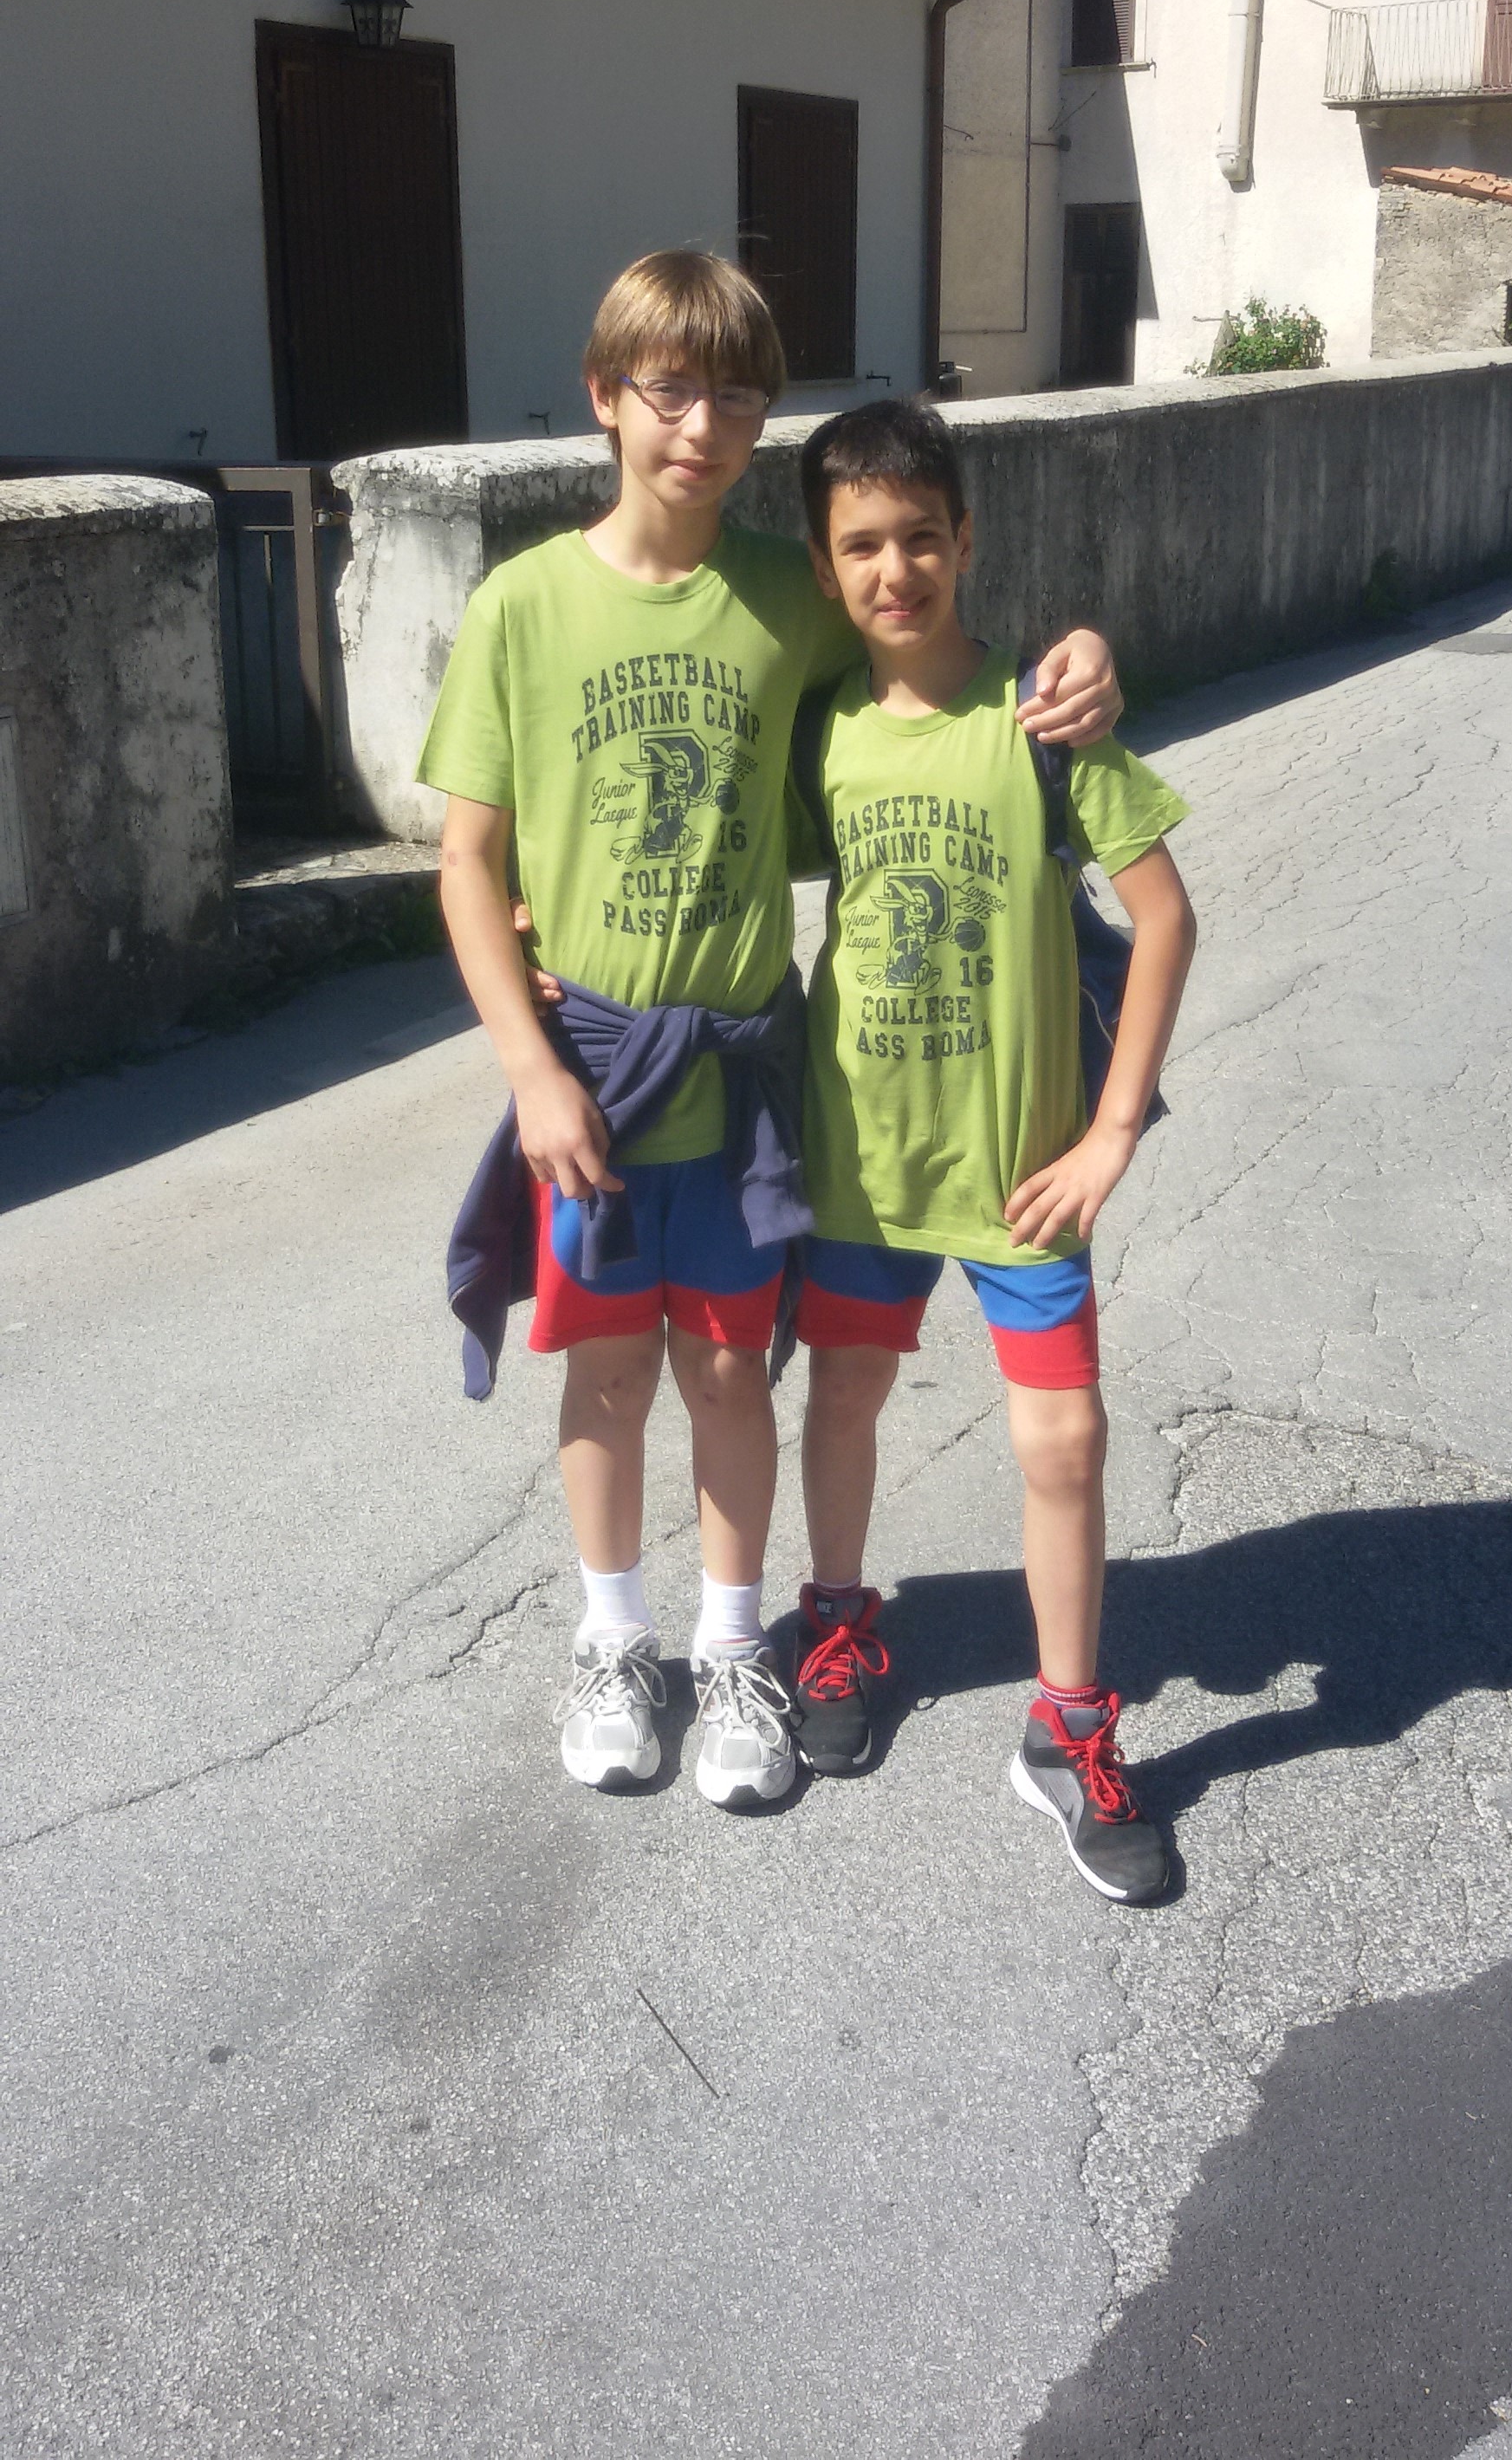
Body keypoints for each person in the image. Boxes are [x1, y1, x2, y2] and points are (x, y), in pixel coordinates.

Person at [416, 252, 1124, 1814]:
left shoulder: (787, 595)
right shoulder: (523, 607)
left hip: (743, 1073)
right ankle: (616, 1640)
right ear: (605, 397)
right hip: (594, 1077)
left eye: (737, 394)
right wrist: (528, 1069)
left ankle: (736, 1646)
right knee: (607, 1375)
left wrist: (1079, 655)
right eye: (670, 389)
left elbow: (926, 652)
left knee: (733, 1370)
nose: (703, 425)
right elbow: (467, 859)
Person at [787, 398, 1196, 1903]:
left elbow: (1166, 918)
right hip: (863, 1166)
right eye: (861, 547)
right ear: (826, 570)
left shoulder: (1042, 720)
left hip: (1025, 1176)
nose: (894, 569)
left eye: (919, 537)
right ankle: (840, 1624)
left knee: (1065, 1444)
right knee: (844, 1397)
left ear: (965, 541)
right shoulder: (819, 731)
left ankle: (1068, 1730)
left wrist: (1111, 1132)